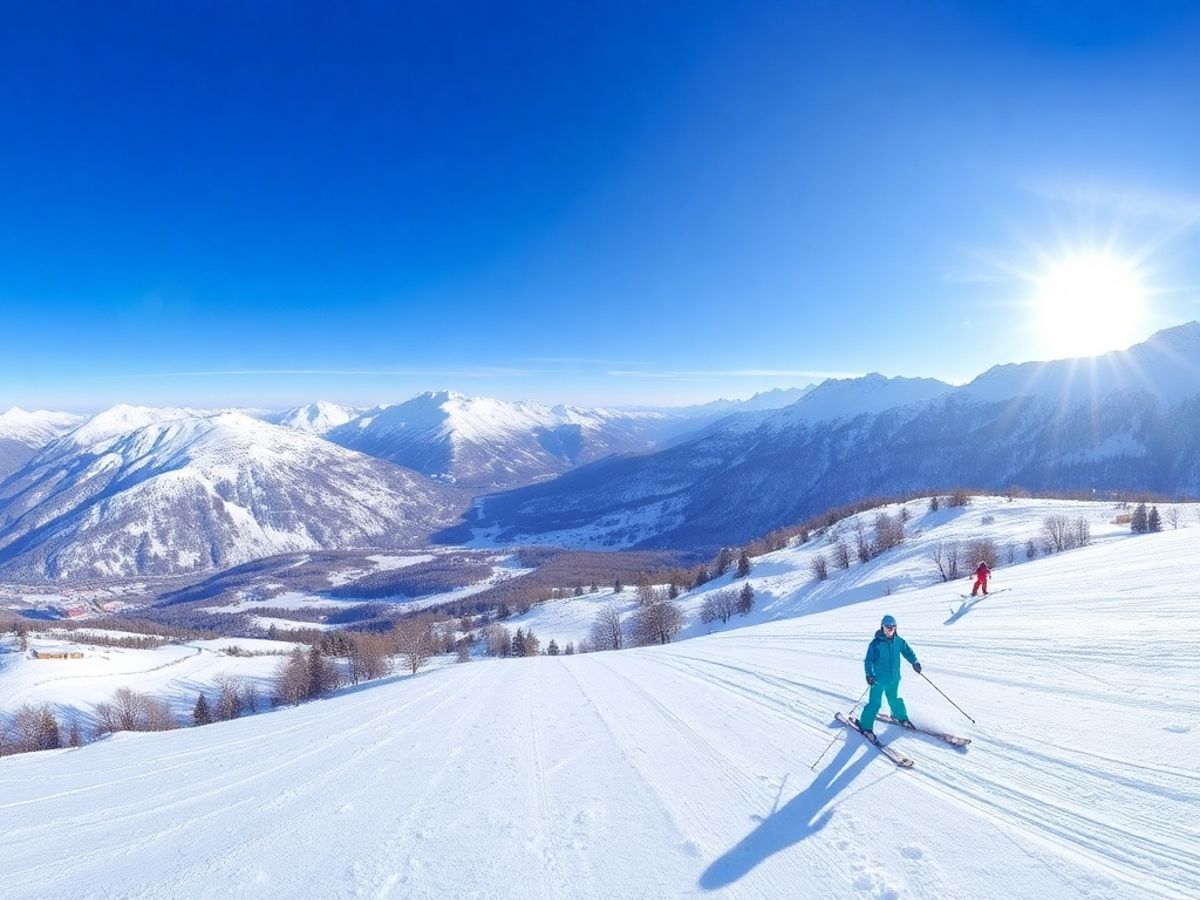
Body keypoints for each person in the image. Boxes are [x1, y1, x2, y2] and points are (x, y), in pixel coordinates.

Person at [856, 614, 921, 737]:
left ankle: (900, 717)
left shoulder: (899, 641)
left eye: (892, 628)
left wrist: (915, 662)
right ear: (882, 628)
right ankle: (865, 726)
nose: (890, 630)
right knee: (875, 703)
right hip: (878, 681)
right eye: (887, 628)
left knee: (894, 700)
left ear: (896, 628)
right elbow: (868, 660)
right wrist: (869, 675)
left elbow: (907, 651)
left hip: (894, 679)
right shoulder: (875, 644)